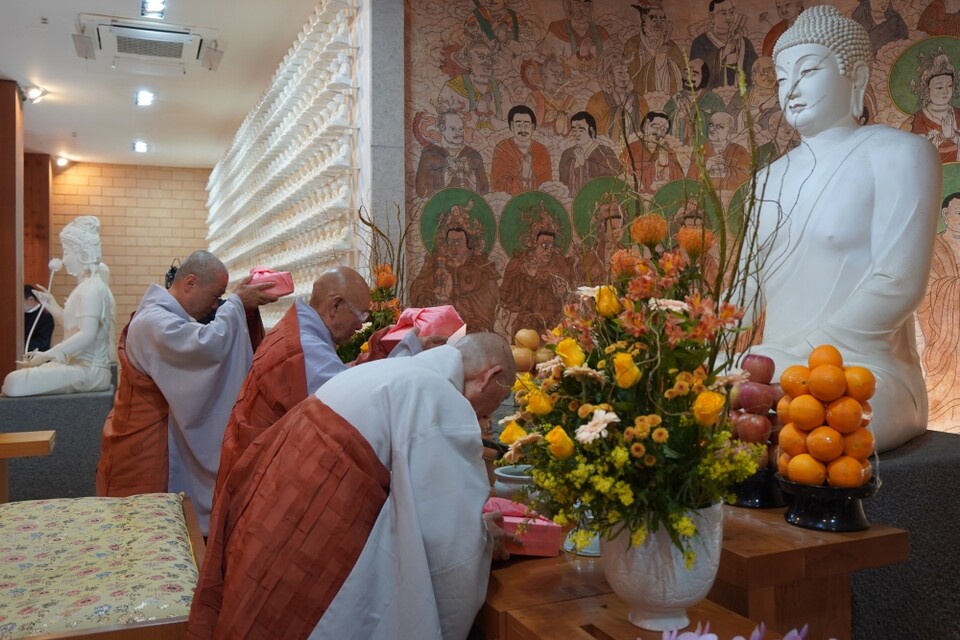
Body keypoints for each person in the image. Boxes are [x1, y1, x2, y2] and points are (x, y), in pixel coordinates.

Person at [187, 333, 516, 640]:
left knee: (261, 606)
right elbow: (446, 535)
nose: (480, 418)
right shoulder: (438, 395)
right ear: (489, 376)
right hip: (318, 524)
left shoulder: (393, 370)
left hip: (280, 506)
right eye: (488, 406)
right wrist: (483, 541)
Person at [744, 5, 940, 452]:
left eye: (808, 71)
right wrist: (683, 342)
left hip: (862, 372)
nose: (790, 89)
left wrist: (798, 359)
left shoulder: (900, 153)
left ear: (855, 76)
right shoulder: (765, 181)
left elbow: (898, 283)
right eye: (780, 79)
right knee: (685, 392)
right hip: (773, 370)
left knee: (825, 418)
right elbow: (742, 293)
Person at [95, 250, 277, 535]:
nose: (216, 304)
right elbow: (203, 347)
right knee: (143, 539)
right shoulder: (152, 322)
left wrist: (242, 309)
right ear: (190, 283)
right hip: (145, 449)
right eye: (216, 295)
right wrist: (237, 304)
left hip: (157, 441)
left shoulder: (165, 317)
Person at [217, 266, 434, 489]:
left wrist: (386, 352)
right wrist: (407, 357)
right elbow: (353, 405)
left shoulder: (301, 329)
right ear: (335, 306)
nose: (361, 325)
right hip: (262, 480)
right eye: (360, 315)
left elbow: (340, 378)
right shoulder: (304, 348)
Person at [3, 216, 115, 397]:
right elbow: (75, 327)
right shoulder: (85, 288)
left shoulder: (93, 288)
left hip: (90, 371)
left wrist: (49, 354)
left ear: (83, 253)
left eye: (67, 252)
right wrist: (52, 306)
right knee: (14, 380)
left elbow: (87, 334)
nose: (64, 260)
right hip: (75, 364)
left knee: (14, 382)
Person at [410, 202, 502, 332]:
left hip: (473, 332)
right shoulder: (434, 264)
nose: (453, 247)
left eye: (458, 242)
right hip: (439, 331)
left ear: (469, 245)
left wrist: (452, 298)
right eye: (450, 242)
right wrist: (437, 297)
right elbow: (418, 291)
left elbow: (489, 301)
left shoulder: (481, 267)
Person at [916, 192, 960, 428]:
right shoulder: (932, 248)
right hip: (942, 333)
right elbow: (925, 290)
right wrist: (953, 286)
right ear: (945, 215)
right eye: (959, 213)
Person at [415, 110, 488, 197]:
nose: (459, 132)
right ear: (442, 128)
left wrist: (474, 181)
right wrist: (444, 180)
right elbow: (422, 192)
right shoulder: (430, 154)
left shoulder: (473, 155)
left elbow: (485, 190)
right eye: (453, 129)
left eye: (461, 129)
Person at [904, 51, 960, 164]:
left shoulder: (958, 114)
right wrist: (942, 137)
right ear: (927, 89)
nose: (945, 91)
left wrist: (953, 136)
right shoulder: (918, 119)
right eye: (939, 87)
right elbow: (915, 154)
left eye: (950, 85)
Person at [690, 0, 758, 89]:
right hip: (712, 98)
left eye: (731, 12)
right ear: (712, 16)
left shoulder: (744, 43)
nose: (729, 18)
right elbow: (696, 74)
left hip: (741, 98)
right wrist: (723, 53)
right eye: (724, 13)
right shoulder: (700, 43)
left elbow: (755, 71)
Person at [623, 1, 686, 95]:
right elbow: (628, 75)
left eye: (662, 19)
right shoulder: (633, 43)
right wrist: (659, 58)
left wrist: (666, 62)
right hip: (641, 97)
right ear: (644, 18)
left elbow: (682, 72)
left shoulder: (671, 46)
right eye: (654, 19)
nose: (659, 23)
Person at [490, 105, 552, 195]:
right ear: (512, 126)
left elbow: (546, 186)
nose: (523, 130)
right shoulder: (502, 149)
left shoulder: (541, 151)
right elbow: (499, 186)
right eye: (519, 125)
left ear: (533, 127)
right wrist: (523, 175)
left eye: (526, 125)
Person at [558, 111, 620, 196]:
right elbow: (563, 182)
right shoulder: (567, 154)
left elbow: (613, 177)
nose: (577, 134)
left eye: (581, 130)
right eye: (574, 130)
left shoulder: (605, 151)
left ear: (591, 130)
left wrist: (585, 164)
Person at [621, 111, 685, 194]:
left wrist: (663, 155)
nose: (659, 132)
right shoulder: (631, 149)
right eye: (656, 127)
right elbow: (623, 177)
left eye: (663, 129)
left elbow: (679, 181)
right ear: (646, 125)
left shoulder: (669, 152)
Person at [23, 285, 54, 353]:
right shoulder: (20, 315)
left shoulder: (45, 315)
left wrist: (19, 344)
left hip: (38, 357)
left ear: (31, 299)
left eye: (21, 301)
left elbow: (43, 342)